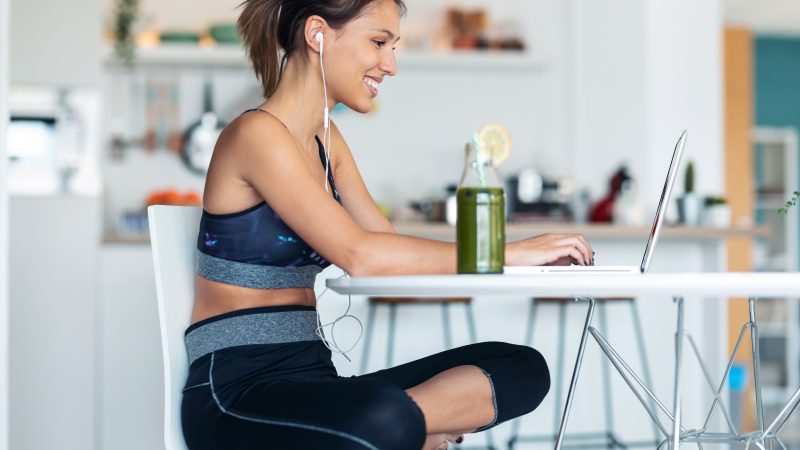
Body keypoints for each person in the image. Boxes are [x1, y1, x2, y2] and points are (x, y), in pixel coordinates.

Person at [182, 0, 595, 449]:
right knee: (387, 416)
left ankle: (400, 429)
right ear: (317, 34)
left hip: (316, 382)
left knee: (522, 367)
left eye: (392, 46)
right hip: (236, 395)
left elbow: (389, 260)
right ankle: (400, 430)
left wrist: (512, 269)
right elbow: (361, 255)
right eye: (379, 42)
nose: (391, 65)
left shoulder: (326, 140)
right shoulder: (256, 135)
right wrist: (506, 252)